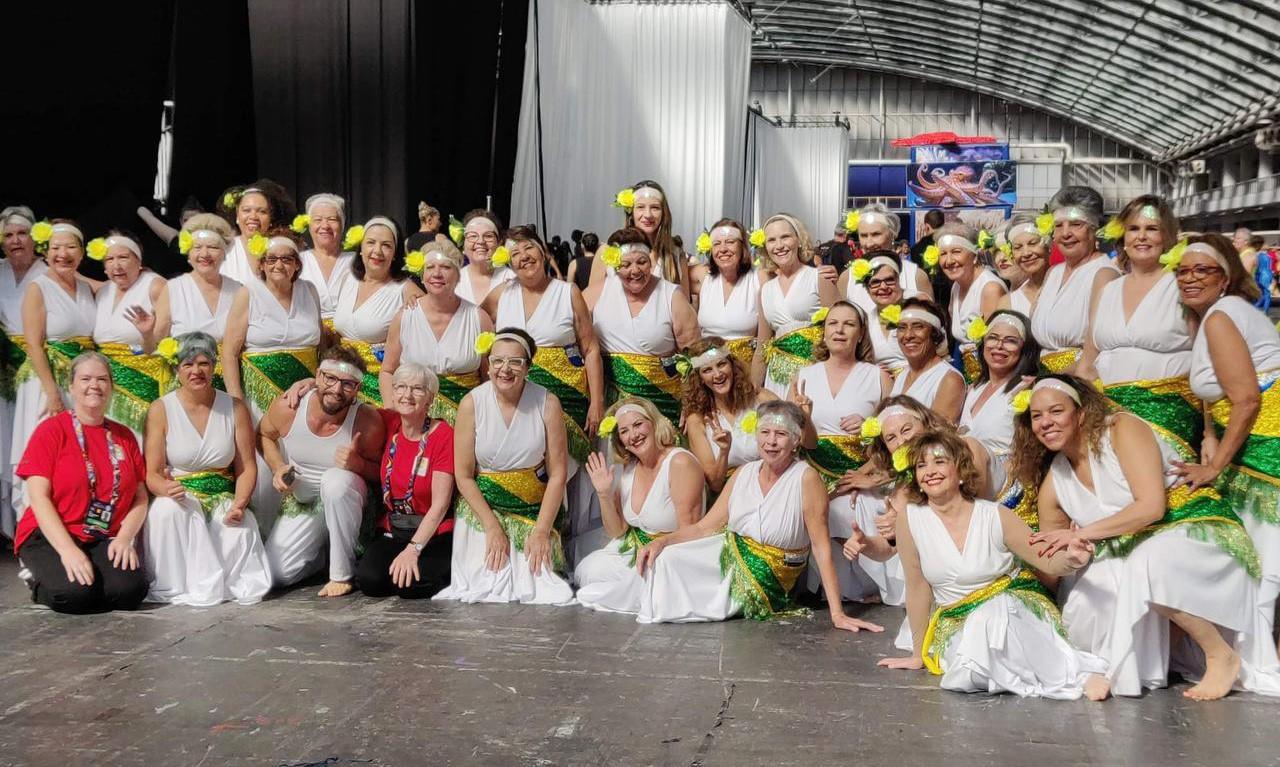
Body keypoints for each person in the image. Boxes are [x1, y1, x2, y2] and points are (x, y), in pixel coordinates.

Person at [1016, 375, 1280, 701]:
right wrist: (1071, 557)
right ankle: (1114, 666)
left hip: (1197, 528)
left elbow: (1152, 507)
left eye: (1056, 411)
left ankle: (1220, 654)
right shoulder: (1055, 480)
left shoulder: (1121, 429)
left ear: (1081, 412)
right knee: (1084, 601)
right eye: (1037, 416)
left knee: (1148, 563)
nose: (1046, 423)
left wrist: (1083, 532)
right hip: (1129, 547)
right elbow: (1052, 557)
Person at [873, 429, 1103, 698]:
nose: (929, 471)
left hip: (1009, 606)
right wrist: (917, 654)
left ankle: (1078, 676)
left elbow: (1046, 560)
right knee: (972, 666)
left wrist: (1072, 559)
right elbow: (916, 588)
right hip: (956, 620)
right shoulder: (910, 518)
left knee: (992, 614)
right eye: (921, 465)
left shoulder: (995, 515)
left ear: (960, 471)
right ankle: (1052, 674)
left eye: (939, 461)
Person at [633, 401, 883, 632]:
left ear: (796, 441)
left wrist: (837, 613)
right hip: (730, 552)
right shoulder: (744, 472)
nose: (771, 442)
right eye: (765, 433)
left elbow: (820, 546)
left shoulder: (806, 478)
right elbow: (703, 528)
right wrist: (661, 541)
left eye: (781, 434)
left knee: (698, 597)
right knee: (666, 559)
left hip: (772, 574)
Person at [1173, 233, 1280, 645]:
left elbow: (1247, 398)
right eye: (1183, 271)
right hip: (1252, 442)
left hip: (1265, 447)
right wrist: (1209, 433)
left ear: (1226, 277)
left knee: (1262, 554)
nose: (1190, 278)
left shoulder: (1220, 317)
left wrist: (1215, 466)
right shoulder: (1217, 314)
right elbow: (1214, 388)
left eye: (1203, 270)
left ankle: (1256, 655)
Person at [433, 328, 576, 605]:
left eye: (515, 362)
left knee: (539, 580)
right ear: (488, 366)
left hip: (532, 505)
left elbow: (558, 474)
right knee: (486, 576)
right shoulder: (471, 403)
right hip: (483, 507)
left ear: (528, 367)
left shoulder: (548, 403)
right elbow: (464, 477)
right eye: (498, 361)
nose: (505, 369)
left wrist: (542, 530)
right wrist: (492, 527)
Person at [13, 352, 149, 613]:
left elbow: (140, 497)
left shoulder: (124, 436)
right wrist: (67, 551)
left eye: (102, 379)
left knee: (129, 592)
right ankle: (38, 580)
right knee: (75, 596)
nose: (94, 386)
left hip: (99, 534)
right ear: (72, 386)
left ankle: (89, 576)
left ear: (111, 386)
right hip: (51, 533)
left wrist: (123, 539)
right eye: (85, 379)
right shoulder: (51, 430)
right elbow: (38, 497)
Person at [142, 333, 271, 606]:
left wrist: (240, 502)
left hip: (223, 495)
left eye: (203, 363)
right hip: (181, 495)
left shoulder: (235, 408)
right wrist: (166, 488)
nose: (196, 371)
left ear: (214, 367)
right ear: (177, 368)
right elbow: (151, 473)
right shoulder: (160, 409)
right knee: (166, 512)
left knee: (238, 526)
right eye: (188, 364)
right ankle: (173, 584)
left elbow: (246, 466)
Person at [258, 346, 385, 597]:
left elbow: (383, 475)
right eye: (331, 379)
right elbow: (264, 434)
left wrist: (358, 465)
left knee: (335, 480)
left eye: (348, 384)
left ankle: (342, 574)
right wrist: (278, 467)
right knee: (278, 573)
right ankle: (318, 556)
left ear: (357, 389)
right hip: (305, 501)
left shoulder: (367, 420)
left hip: (347, 499)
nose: (337, 390)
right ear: (317, 376)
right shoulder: (289, 407)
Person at [1082, 196, 1201, 462]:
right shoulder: (1108, 289)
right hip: (1107, 417)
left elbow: (1208, 357)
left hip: (1169, 420)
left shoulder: (1182, 286)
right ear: (1123, 237)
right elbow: (1087, 363)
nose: (1142, 237)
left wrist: (1211, 435)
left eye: (1152, 229)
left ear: (1167, 235)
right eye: (1134, 229)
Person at [789, 301, 893, 602]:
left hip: (861, 472)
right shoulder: (805, 375)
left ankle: (864, 586)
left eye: (849, 324)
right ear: (823, 332)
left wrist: (870, 426)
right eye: (833, 323)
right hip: (815, 472)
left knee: (853, 511)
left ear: (860, 334)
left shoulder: (877, 376)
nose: (839, 330)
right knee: (823, 508)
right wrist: (805, 418)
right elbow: (804, 443)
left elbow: (893, 436)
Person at [484, 225, 604, 461]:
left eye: (529, 248)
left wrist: (597, 402)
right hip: (515, 401)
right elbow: (468, 318)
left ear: (544, 253)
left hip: (568, 399)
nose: (524, 257)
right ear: (509, 263)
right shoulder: (501, 294)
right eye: (515, 254)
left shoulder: (568, 292)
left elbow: (590, 349)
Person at [576, 397, 704, 614]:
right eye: (624, 431)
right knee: (587, 570)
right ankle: (634, 588)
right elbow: (617, 530)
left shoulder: (680, 462)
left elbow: (691, 530)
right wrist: (604, 493)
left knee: (650, 584)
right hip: (636, 549)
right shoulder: (627, 469)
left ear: (653, 423)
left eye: (638, 425)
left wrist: (659, 547)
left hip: (673, 551)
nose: (633, 435)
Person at [10, 220, 96, 533]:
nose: (63, 254)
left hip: (80, 383)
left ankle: (74, 525)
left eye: (70, 247)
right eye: (56, 248)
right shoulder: (38, 288)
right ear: (46, 253)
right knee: (45, 456)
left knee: (76, 459)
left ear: (82, 253)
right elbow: (34, 343)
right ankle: (34, 533)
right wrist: (52, 392)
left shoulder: (86, 288)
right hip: (46, 382)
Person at [355, 363, 456, 599]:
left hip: (433, 533)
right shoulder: (389, 423)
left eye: (417, 389)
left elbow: (440, 504)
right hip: (395, 529)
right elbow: (348, 406)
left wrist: (414, 549)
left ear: (430, 399)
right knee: (369, 581)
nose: (407, 395)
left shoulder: (443, 435)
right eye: (400, 387)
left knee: (409, 586)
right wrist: (305, 384)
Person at [586, 228, 700, 424]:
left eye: (642, 262)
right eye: (626, 264)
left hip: (662, 406)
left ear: (651, 262)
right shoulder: (597, 292)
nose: (635, 270)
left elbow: (694, 355)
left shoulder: (671, 295)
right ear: (615, 266)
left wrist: (691, 403)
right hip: (611, 408)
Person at [380, 240, 491, 424]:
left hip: (466, 420)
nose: (437, 274)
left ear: (458, 276)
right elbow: (387, 371)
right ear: (422, 276)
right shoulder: (404, 317)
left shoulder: (478, 318)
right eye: (430, 267)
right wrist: (392, 408)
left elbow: (488, 378)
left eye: (446, 267)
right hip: (412, 418)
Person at [221, 228, 323, 423]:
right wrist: (237, 404)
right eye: (271, 259)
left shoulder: (309, 290)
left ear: (297, 265)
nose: (279, 265)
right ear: (262, 264)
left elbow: (322, 347)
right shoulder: (247, 293)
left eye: (286, 259)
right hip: (259, 397)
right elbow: (229, 353)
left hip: (306, 393)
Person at [332, 215, 423, 405]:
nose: (377, 251)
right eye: (371, 243)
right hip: (341, 380)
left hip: (377, 387)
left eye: (386, 245)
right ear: (361, 249)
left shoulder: (405, 289)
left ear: (395, 253)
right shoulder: (347, 279)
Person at [1029, 186, 1120, 373]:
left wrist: (1049, 380)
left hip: (1078, 380)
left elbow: (1095, 352)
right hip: (1041, 376)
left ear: (1094, 230)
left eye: (1076, 224)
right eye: (1058, 225)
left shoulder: (1104, 274)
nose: (1065, 233)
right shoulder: (1053, 273)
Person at [90, 229, 168, 439]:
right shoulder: (105, 291)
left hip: (141, 382)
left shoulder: (155, 286)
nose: (117, 265)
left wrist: (148, 334)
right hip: (105, 386)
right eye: (110, 259)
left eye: (123, 257)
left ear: (138, 260)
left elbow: (167, 344)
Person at [754, 213, 838, 397]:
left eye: (785, 237)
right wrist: (752, 393)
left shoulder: (819, 278)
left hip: (814, 375)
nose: (779, 246)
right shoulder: (765, 291)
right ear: (765, 247)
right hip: (777, 379)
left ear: (799, 240)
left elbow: (841, 330)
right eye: (772, 240)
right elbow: (762, 347)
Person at [680, 337, 777, 494]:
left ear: (732, 366)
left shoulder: (760, 399)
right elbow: (715, 484)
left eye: (721, 364)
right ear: (700, 379)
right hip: (732, 495)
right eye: (707, 370)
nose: (717, 374)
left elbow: (794, 439)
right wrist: (724, 451)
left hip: (774, 485)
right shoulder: (697, 421)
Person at [0, 206, 46, 529]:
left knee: (30, 442)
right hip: (3, 368)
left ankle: (29, 521)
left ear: (34, 238)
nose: (16, 241)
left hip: (37, 370)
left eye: (22, 234)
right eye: (8, 235)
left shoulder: (48, 271)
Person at [961, 310, 1039, 501]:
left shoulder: (1026, 388)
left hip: (1005, 476)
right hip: (964, 468)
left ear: (1024, 348)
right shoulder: (974, 389)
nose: (999, 346)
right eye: (993, 338)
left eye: (1011, 341)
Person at [153, 215, 242, 359]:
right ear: (188, 253)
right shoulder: (173, 288)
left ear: (224, 253)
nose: (205, 254)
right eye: (197, 247)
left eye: (213, 247)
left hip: (230, 374)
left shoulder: (238, 290)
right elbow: (157, 341)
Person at [589, 180, 690, 297]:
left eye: (655, 207)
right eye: (640, 207)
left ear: (664, 213)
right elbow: (589, 305)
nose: (648, 215)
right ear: (631, 212)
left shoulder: (675, 254)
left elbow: (685, 306)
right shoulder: (607, 252)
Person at [938, 223, 1006, 383]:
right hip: (962, 365)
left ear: (974, 255)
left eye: (956, 252)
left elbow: (995, 344)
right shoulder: (956, 285)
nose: (949, 260)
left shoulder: (990, 288)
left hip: (985, 372)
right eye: (943, 254)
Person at [692, 220, 761, 367]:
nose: (723, 249)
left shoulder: (759, 277)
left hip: (745, 368)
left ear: (742, 247)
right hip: (709, 368)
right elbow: (668, 273)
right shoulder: (703, 275)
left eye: (730, 242)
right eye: (716, 244)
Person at [840, 203, 932, 313]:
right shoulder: (847, 278)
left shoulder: (916, 276)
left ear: (892, 234)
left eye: (876, 234)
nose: (869, 244)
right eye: (864, 236)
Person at [888, 297, 964, 422]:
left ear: (935, 334)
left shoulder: (950, 379)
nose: (908, 335)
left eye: (918, 327)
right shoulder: (902, 375)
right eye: (902, 327)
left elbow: (937, 436)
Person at [218, 180, 295, 286]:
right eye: (246, 210)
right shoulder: (225, 248)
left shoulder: (281, 248)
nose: (253, 217)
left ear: (271, 218)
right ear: (237, 215)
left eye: (262, 211)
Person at [295, 193, 354, 325]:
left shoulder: (355, 261)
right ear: (309, 226)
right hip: (309, 331)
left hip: (349, 335)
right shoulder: (298, 261)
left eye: (332, 219)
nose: (325, 225)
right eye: (318, 220)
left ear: (342, 225)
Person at [856, 252, 908, 376]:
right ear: (867, 289)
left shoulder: (917, 307)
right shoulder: (867, 321)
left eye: (889, 280)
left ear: (898, 280)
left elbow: (941, 354)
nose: (883, 287)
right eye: (875, 282)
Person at [455, 209, 515, 304]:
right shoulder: (453, 281)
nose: (481, 241)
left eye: (488, 236)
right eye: (473, 236)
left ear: (499, 243)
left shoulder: (511, 279)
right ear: (463, 244)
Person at [996, 215, 1050, 315]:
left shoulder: (1069, 287)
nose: (1026, 253)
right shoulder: (1008, 304)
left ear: (1048, 245)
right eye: (1017, 247)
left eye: (1033, 243)